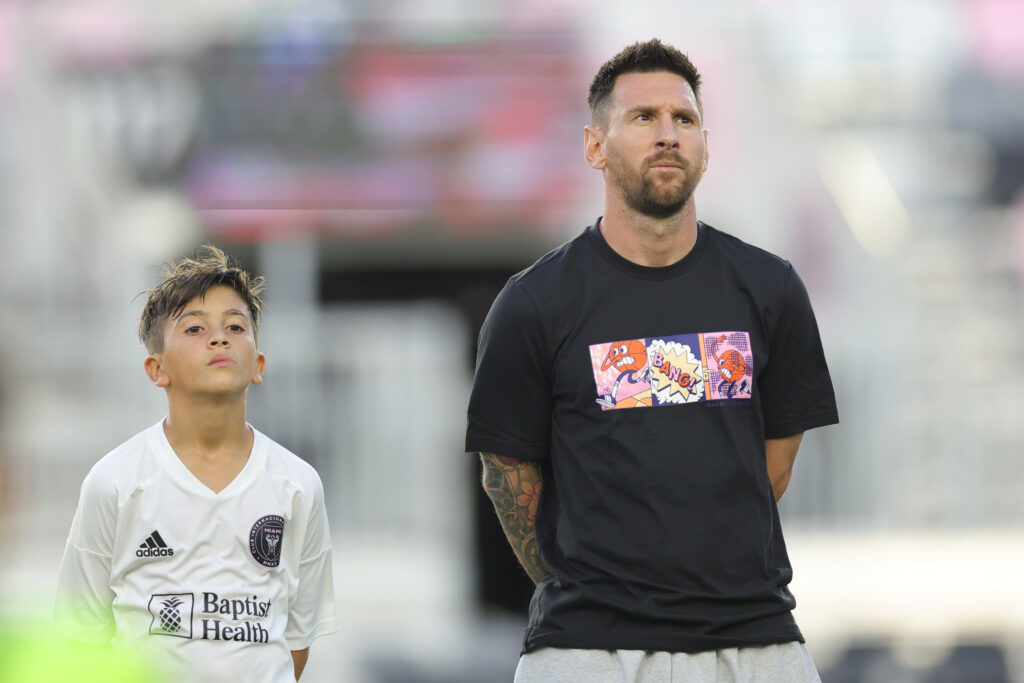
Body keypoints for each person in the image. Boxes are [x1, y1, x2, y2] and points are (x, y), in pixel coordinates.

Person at [466, 39, 838, 682]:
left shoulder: (769, 289)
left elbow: (769, 468)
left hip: (754, 646)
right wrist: (596, 587)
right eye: (643, 118)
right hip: (586, 652)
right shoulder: (533, 305)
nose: (668, 134)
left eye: (683, 119)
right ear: (594, 146)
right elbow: (507, 478)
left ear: (704, 146)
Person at [53, 246, 337, 682]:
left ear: (258, 364)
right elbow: (81, 636)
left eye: (235, 326)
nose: (219, 338)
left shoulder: (297, 483)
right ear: (156, 368)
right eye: (195, 328)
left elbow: (297, 640)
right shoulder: (113, 482)